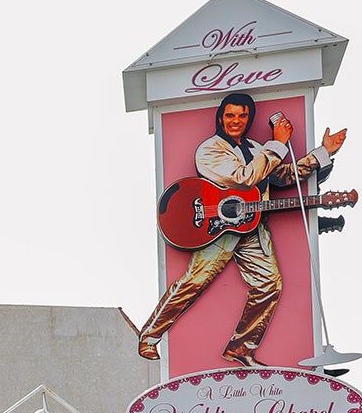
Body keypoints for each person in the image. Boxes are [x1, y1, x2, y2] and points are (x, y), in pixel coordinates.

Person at [139, 91, 347, 366]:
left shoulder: (257, 148)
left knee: (269, 285)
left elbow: (281, 175)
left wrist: (323, 153)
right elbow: (244, 179)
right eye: (230, 115)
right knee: (194, 282)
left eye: (242, 116)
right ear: (220, 117)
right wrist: (278, 143)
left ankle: (241, 348)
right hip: (216, 227)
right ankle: (150, 336)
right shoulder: (210, 149)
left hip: (252, 228)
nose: (236, 121)